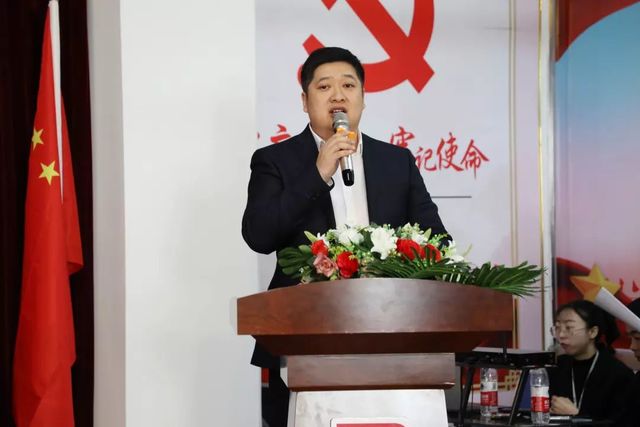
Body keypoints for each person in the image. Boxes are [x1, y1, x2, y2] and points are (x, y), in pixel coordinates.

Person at [242, 47, 448, 427]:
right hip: (301, 340)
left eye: (348, 86)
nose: (338, 95)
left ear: (363, 98)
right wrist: (317, 173)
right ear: (305, 101)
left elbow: (438, 243)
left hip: (391, 335)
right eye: (324, 87)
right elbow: (259, 234)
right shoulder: (275, 160)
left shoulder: (396, 161)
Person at [548, 300, 634, 423]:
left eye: (569, 328)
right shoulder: (554, 368)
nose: (561, 335)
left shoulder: (619, 375)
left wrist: (576, 415)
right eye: (557, 328)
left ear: (592, 332)